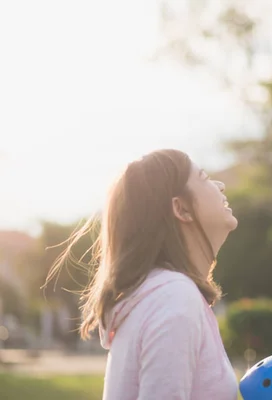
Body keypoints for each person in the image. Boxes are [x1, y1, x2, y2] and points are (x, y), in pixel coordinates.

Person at [46, 149, 239, 400]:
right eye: (204, 178)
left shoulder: (161, 293)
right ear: (181, 208)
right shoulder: (174, 296)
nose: (220, 185)